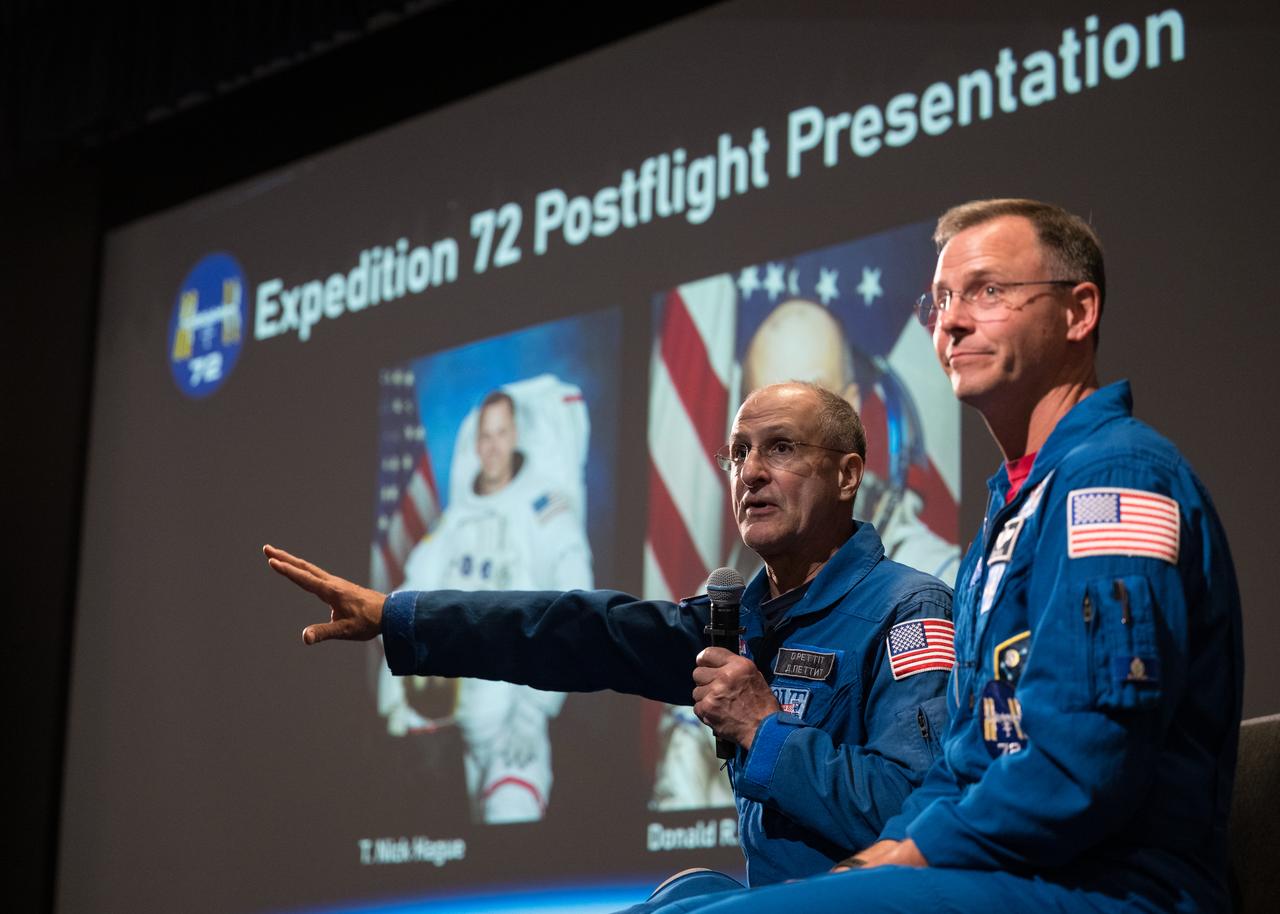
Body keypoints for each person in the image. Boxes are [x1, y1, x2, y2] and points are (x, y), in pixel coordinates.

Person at [611, 198, 1243, 913]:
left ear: (1079, 312)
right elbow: (965, 762)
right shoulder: (1012, 512)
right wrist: (883, 857)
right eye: (941, 297)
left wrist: (909, 855)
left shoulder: (1116, 479)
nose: (953, 319)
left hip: (1111, 891)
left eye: (989, 291)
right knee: (679, 902)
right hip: (1007, 878)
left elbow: (1082, 762)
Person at [265, 380, 954, 891]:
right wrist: (399, 616)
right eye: (737, 452)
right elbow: (570, 631)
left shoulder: (909, 609)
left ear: (848, 474)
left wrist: (764, 729)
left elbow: (920, 814)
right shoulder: (736, 621)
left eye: (780, 448)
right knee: (682, 893)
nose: (750, 473)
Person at [378, 388, 593, 823]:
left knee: (510, 819)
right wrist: (397, 699)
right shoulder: (457, 517)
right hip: (450, 721)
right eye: (485, 436)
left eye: (501, 433)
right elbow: (407, 598)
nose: (492, 446)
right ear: (475, 444)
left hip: (514, 721)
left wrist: (535, 713)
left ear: (515, 435)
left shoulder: (545, 510)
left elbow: (577, 609)